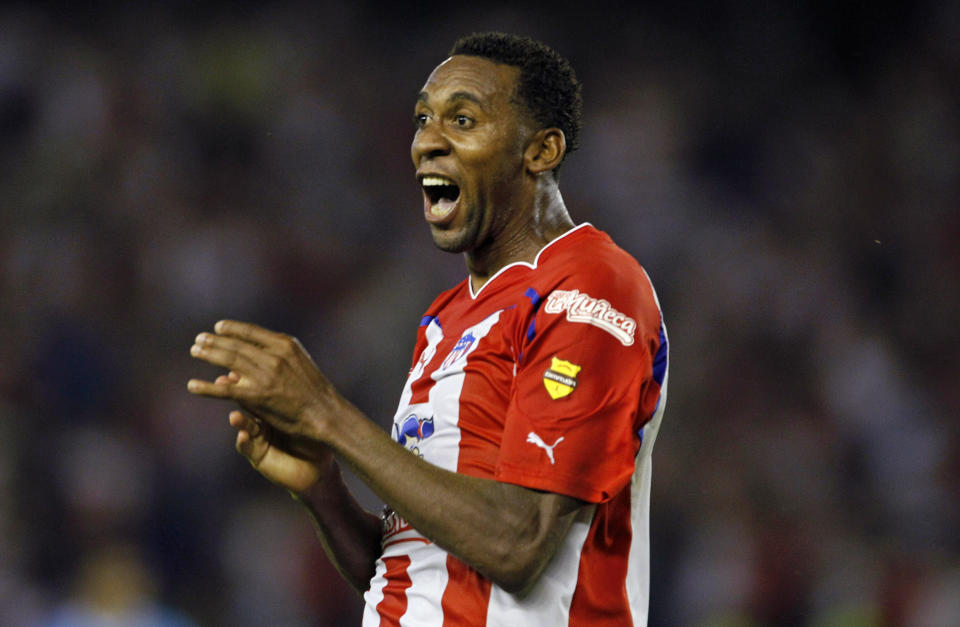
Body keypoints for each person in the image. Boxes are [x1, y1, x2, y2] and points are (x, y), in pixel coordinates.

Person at [188, 32, 669, 626]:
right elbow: (419, 576)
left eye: (461, 119)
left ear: (541, 151)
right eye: (422, 119)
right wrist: (323, 489)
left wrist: (328, 415)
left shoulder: (590, 288)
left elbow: (517, 545)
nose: (426, 143)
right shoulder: (446, 318)